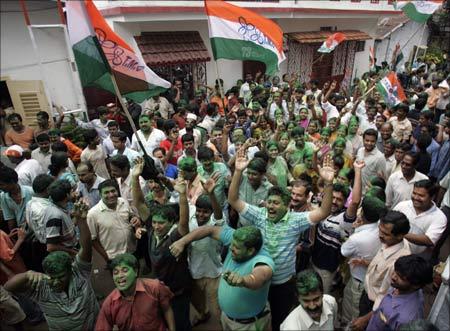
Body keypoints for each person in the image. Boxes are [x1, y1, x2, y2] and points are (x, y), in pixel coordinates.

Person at [228, 150, 335, 330]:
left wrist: (329, 183)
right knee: (258, 318)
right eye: (269, 202)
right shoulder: (260, 214)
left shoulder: (295, 220)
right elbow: (233, 199)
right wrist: (238, 171)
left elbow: (323, 212)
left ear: (286, 206)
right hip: (261, 281)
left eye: (276, 203)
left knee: (280, 321)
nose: (270, 206)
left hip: (284, 283)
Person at [4, 201, 99, 330]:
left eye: (60, 277)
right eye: (52, 277)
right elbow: (8, 287)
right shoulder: (42, 287)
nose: (55, 282)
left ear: (71, 270)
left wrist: (82, 221)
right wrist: (26, 275)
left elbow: (86, 247)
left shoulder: (79, 273)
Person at [170, 225, 275, 331]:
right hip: (227, 318)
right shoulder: (237, 240)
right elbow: (210, 230)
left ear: (251, 251)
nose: (230, 248)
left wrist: (243, 280)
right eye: (232, 244)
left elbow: (258, 278)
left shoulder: (263, 261)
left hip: (248, 325)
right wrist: (182, 242)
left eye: (236, 248)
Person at [131, 157, 192, 331]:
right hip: (159, 288)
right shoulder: (151, 228)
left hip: (179, 291)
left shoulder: (176, 236)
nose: (156, 226)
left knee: (181, 324)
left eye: (161, 223)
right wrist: (135, 177)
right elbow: (139, 203)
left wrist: (181, 195)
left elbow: (184, 221)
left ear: (171, 222)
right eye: (155, 222)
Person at [351, 211, 411, 331]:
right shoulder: (390, 241)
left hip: (373, 306)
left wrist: (366, 319)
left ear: (400, 235)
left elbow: (385, 296)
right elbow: (381, 266)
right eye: (379, 230)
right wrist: (364, 263)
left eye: (385, 234)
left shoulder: (398, 263)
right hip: (367, 293)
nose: (380, 235)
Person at [95, 253, 175, 331]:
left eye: (125, 270)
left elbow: (167, 308)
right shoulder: (109, 304)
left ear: (136, 271)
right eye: (115, 272)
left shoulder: (155, 287)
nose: (120, 276)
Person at [340, 196, 386, 324]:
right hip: (369, 280)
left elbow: (344, 251)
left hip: (359, 282)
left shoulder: (358, 238)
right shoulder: (380, 228)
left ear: (362, 213)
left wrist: (353, 231)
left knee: (354, 314)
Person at [367, 254, 433, 331]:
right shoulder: (401, 287)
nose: (393, 277)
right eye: (395, 271)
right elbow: (380, 312)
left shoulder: (406, 319)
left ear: (415, 285)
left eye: (401, 277)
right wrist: (365, 320)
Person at [87, 179, 141, 265]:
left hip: (132, 250)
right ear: (100, 195)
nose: (111, 195)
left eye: (113, 191)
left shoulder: (123, 202)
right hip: (114, 257)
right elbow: (93, 240)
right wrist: (106, 257)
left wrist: (135, 219)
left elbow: (131, 215)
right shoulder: (92, 214)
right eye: (106, 192)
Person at [394, 179, 447, 257]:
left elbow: (428, 240)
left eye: (421, 195)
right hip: (394, 250)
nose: (416, 197)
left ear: (432, 197)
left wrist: (401, 234)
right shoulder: (402, 205)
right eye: (414, 193)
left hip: (416, 257)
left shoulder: (440, 218)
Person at [25, 174, 54, 271]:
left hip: (39, 244)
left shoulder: (30, 203)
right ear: (47, 189)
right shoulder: (46, 209)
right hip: (50, 247)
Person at [0, 166, 34, 230]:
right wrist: (13, 236)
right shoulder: (3, 197)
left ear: (12, 182)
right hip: (21, 231)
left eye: (1, 185)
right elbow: (10, 218)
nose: (0, 187)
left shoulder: (31, 192)